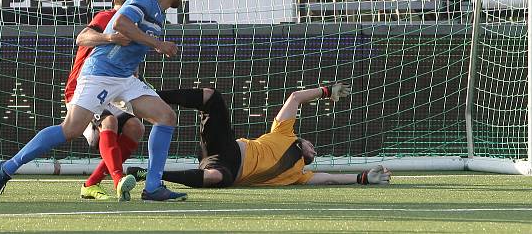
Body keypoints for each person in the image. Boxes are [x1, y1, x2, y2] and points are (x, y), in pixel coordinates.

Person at [0, 0, 191, 202]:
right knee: (70, 129)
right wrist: (157, 44)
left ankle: (153, 187)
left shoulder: (158, 10)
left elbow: (130, 37)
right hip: (100, 74)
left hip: (123, 78)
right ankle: (7, 168)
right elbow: (121, 23)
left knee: (165, 116)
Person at [127, 84, 391, 188]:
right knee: (212, 98)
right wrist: (326, 91)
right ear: (303, 141)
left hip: (225, 170)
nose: (315, 150)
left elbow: (330, 178)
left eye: (315, 153)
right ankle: (141, 96)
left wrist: (363, 177)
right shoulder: (284, 131)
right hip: (225, 148)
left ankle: (150, 175)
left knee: (219, 178)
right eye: (313, 145)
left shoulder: (299, 174)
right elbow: (296, 98)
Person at [66, 0, 148, 201]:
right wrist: (110, 37)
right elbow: (82, 37)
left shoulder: (133, 25)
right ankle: (118, 179)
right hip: (83, 89)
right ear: (134, 1)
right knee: (109, 122)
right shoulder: (108, 17)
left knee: (136, 128)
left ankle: (91, 183)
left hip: (110, 90)